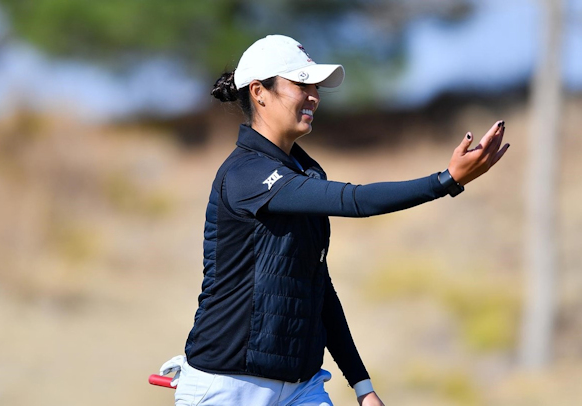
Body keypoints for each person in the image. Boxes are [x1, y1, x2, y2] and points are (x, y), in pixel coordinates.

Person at [168, 34, 509, 406]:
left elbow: (319, 287)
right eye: (301, 84)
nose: (313, 95)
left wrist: (362, 386)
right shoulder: (244, 174)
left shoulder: (306, 172)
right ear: (259, 92)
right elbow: (356, 200)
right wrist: (445, 180)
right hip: (226, 385)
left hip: (302, 386)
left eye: (315, 86)